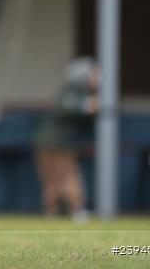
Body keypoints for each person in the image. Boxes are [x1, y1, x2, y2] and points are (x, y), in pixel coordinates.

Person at [34, 57, 100, 220]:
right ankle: (75, 210)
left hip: (52, 141)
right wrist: (87, 105)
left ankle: (53, 212)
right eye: (94, 74)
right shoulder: (74, 88)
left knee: (56, 178)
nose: (97, 77)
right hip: (55, 142)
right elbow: (67, 105)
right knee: (66, 175)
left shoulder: (80, 90)